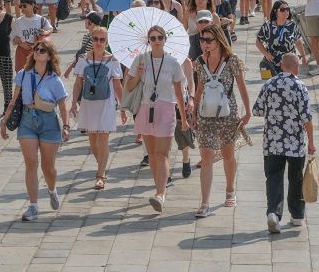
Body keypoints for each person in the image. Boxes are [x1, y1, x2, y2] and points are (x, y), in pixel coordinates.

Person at [0, 39, 70, 221]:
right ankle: (33, 206)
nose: (38, 52)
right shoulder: (23, 74)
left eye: (42, 50)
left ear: (49, 56)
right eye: (36, 49)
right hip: (27, 120)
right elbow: (14, 100)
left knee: (49, 167)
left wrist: (66, 126)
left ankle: (52, 189)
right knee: (31, 162)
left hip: (48, 122)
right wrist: (4, 119)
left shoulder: (54, 80)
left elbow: (62, 104)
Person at [124, 26, 189, 212]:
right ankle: (158, 188)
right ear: (149, 41)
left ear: (165, 39)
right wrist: (138, 74)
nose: (157, 41)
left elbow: (178, 91)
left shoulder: (172, 62)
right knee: (151, 154)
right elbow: (128, 87)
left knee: (162, 154)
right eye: (152, 38)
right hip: (146, 108)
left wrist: (183, 118)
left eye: (160, 37)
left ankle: (160, 194)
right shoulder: (141, 59)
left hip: (166, 109)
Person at [191, 24, 251, 217]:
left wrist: (248, 111)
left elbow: (242, 86)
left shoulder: (232, 60)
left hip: (228, 115)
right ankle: (204, 203)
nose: (205, 44)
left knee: (228, 155)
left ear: (218, 40)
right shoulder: (199, 62)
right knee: (207, 157)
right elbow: (199, 88)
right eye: (202, 40)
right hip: (205, 116)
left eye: (209, 40)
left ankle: (230, 190)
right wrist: (193, 111)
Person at [253, 53, 315, 233]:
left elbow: (257, 110)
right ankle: (296, 216)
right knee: (295, 178)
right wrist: (311, 141)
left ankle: (273, 213)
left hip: (272, 142)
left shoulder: (269, 84)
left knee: (273, 178)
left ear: (281, 66)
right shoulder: (300, 87)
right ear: (296, 68)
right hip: (294, 143)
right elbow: (306, 118)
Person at [69, 26, 126, 191]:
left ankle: (100, 176)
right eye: (96, 39)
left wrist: (122, 108)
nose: (99, 42)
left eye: (102, 40)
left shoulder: (112, 60)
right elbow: (78, 82)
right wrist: (73, 103)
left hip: (106, 104)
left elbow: (117, 85)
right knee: (93, 141)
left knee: (103, 138)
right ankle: (102, 163)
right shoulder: (83, 59)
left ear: (107, 42)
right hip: (88, 102)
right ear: (91, 40)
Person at [256, 1, 308, 76]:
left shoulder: (292, 26)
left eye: (287, 9)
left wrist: (303, 56)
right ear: (275, 11)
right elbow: (258, 41)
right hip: (272, 62)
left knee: (290, 84)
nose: (286, 11)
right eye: (282, 10)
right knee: (272, 85)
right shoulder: (267, 26)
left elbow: (298, 42)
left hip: (289, 63)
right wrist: (266, 54)